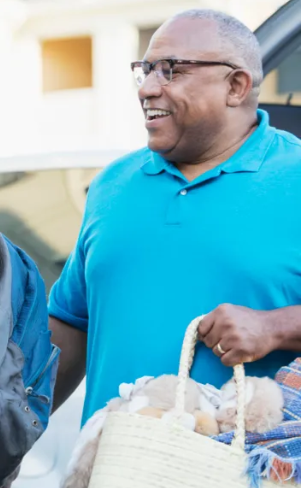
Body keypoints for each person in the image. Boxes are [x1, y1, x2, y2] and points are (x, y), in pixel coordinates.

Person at [48, 8, 301, 427]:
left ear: (235, 86)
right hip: (114, 466)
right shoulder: (113, 184)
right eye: (145, 70)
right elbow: (71, 323)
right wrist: (5, 444)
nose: (147, 88)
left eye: (170, 71)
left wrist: (277, 326)